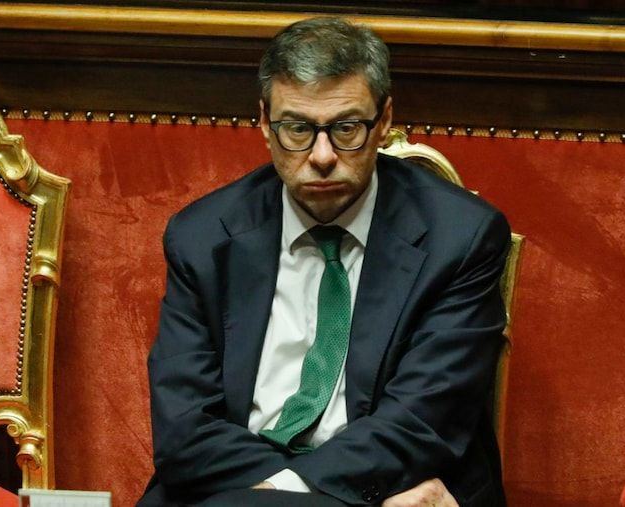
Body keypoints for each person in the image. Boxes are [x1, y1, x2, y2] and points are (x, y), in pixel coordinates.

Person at [140, 17, 510, 507]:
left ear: (384, 121)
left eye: (346, 128)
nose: (321, 156)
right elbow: (184, 429)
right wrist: (278, 493)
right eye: (297, 128)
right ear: (264, 123)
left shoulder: (459, 238)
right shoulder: (203, 237)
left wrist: (277, 494)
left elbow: (420, 423)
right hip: (229, 485)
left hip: (391, 488)